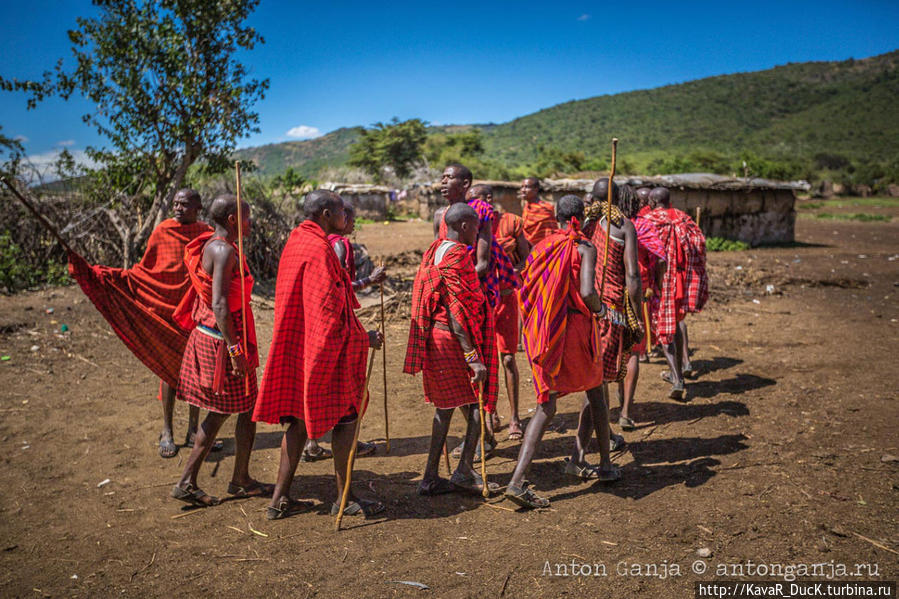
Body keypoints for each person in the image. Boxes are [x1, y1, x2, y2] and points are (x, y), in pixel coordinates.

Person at [253, 190, 385, 520]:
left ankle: (279, 499)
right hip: (321, 348)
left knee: (297, 424)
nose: (346, 217)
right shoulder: (320, 249)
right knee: (346, 419)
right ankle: (343, 497)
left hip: (297, 347)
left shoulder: (297, 241)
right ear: (326, 214)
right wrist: (363, 338)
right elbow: (328, 315)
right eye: (342, 212)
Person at [67, 188, 222, 459]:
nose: (177, 208)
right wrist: (112, 278)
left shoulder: (207, 233)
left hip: (192, 313)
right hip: (164, 312)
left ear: (197, 207)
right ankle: (167, 432)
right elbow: (146, 271)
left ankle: (194, 431)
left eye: (184, 205)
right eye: (175, 203)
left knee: (195, 375)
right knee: (168, 372)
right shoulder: (162, 231)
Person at [506, 195, 621, 510]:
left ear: (555, 216)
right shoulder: (583, 247)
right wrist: (602, 310)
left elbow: (528, 289)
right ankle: (607, 466)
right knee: (597, 392)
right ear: (581, 217)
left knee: (546, 405)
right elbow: (587, 291)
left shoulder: (542, 247)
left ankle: (517, 481)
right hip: (575, 332)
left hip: (546, 332)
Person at [170, 195, 271, 507]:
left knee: (243, 409)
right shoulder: (223, 250)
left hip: (218, 337)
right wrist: (235, 349)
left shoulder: (215, 245)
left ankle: (239, 477)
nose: (250, 222)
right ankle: (190, 481)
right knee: (221, 413)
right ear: (231, 220)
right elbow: (219, 304)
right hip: (221, 341)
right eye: (246, 217)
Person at [404, 202, 501, 497]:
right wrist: (473, 357)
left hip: (437, 338)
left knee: (444, 409)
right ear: (463, 226)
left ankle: (430, 477)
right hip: (450, 339)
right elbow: (457, 310)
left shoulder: (436, 249)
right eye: (475, 227)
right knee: (473, 405)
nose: (478, 233)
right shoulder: (458, 256)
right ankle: (463, 471)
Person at [300, 198, 385, 462]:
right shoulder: (336, 245)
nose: (352, 222)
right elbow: (338, 285)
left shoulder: (324, 242)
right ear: (336, 217)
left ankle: (317, 442)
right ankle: (329, 441)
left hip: (326, 320)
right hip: (332, 324)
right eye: (348, 217)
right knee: (335, 382)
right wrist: (369, 280)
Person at [585, 179, 642, 447]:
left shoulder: (585, 226)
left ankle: (602, 435)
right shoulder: (624, 226)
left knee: (597, 376)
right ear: (619, 198)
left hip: (586, 307)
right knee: (598, 379)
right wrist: (637, 313)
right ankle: (594, 444)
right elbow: (632, 274)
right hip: (610, 310)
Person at [640, 187, 708, 397]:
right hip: (682, 281)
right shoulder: (683, 219)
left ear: (651, 201)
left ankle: (677, 379)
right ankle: (678, 370)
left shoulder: (648, 221)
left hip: (660, 282)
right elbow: (699, 247)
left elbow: (646, 254)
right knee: (675, 324)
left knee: (664, 328)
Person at [616, 186, 666, 429]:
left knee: (612, 349)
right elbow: (659, 259)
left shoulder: (608, 226)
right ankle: (625, 410)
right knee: (633, 352)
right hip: (638, 294)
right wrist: (655, 285)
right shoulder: (643, 226)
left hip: (611, 295)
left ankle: (615, 402)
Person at [519, 177, 557, 246]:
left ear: (536, 189)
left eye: (526, 187)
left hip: (543, 248)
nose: (523, 190)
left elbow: (550, 232)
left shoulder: (545, 209)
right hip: (526, 248)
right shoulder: (526, 207)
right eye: (522, 187)